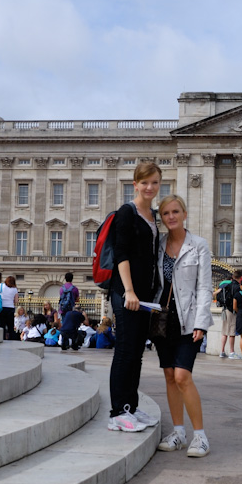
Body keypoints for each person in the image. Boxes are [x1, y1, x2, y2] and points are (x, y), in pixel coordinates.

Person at [153, 194, 214, 457]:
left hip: (189, 320)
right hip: (163, 319)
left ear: (184, 214)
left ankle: (200, 436)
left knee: (182, 376)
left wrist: (202, 322)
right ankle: (178, 432)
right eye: (166, 213)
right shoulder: (159, 245)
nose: (171, 217)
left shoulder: (198, 245)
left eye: (175, 212)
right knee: (168, 376)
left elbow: (204, 287)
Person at [107, 162, 162, 433]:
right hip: (126, 293)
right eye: (145, 183)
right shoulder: (127, 212)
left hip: (144, 297)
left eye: (154, 182)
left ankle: (131, 405)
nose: (150, 187)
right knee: (125, 353)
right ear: (135, 184)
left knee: (137, 355)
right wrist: (129, 290)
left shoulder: (152, 215)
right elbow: (122, 254)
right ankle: (117, 412)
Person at [217, 269, 242, 359]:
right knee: (231, 332)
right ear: (240, 278)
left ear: (233, 277)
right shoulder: (237, 287)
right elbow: (237, 300)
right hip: (231, 311)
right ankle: (232, 352)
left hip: (224, 309)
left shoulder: (226, 285)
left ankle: (222, 351)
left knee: (224, 332)